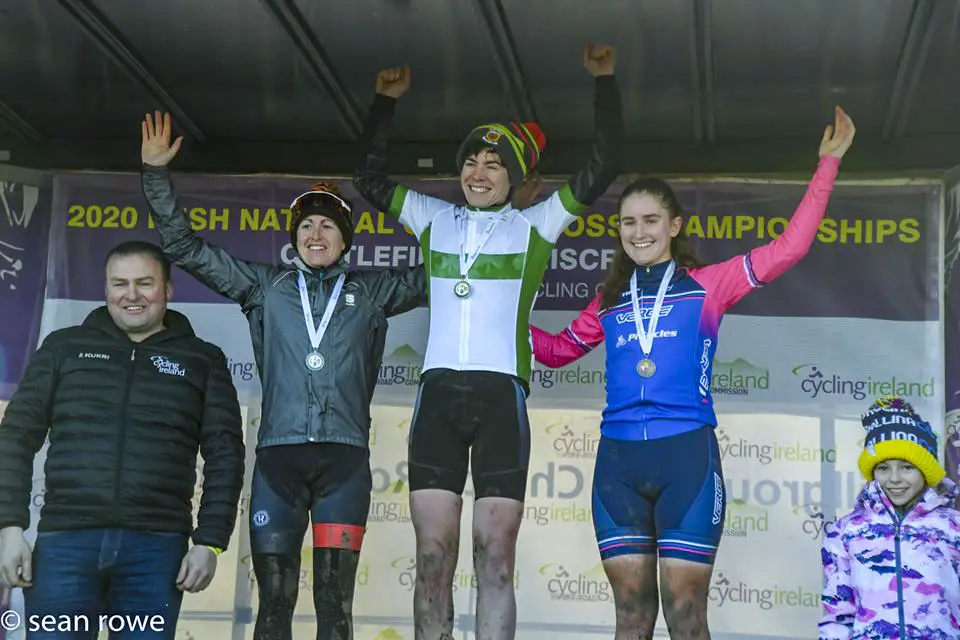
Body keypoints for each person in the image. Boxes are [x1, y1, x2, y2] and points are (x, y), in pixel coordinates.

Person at [529, 106, 856, 640]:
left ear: (674, 226)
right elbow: (557, 350)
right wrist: (497, 317)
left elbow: (789, 248)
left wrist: (827, 165)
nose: (639, 232)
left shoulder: (709, 285)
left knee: (685, 614)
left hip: (688, 459)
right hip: (617, 466)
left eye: (650, 220)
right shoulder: (608, 300)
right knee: (631, 617)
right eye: (628, 222)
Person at [353, 44, 622, 640]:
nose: (479, 170)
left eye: (494, 163)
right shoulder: (431, 218)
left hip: (502, 397)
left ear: (515, 177)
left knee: (495, 558)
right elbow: (367, 179)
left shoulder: (536, 226)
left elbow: (604, 165)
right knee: (432, 559)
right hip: (437, 397)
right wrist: (384, 104)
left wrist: (603, 82)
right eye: (471, 160)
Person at [139, 111, 427, 640]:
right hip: (278, 463)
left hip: (344, 463)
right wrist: (155, 175)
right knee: (274, 603)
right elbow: (184, 248)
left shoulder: (373, 295)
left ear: (346, 239)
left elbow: (456, 263)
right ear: (295, 236)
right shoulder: (263, 288)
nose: (316, 233)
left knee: (334, 605)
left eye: (329, 225)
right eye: (307, 225)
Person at [0, 240, 245, 639]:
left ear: (167, 289)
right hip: (65, 546)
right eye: (120, 283)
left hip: (155, 552)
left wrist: (209, 542)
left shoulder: (203, 359)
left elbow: (225, 454)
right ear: (106, 289)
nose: (131, 295)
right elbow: (15, 436)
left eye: (145, 283)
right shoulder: (64, 348)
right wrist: (9, 527)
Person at [819, 396, 960, 639]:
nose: (894, 479)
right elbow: (838, 615)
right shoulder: (845, 532)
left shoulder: (954, 527)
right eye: (883, 468)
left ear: (925, 471)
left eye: (907, 467)